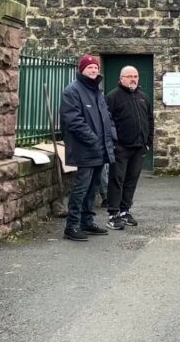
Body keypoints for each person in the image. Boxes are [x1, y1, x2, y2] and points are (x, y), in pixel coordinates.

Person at [59, 54, 116, 242]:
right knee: (80, 188)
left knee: (92, 187)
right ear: (81, 70)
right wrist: (93, 139)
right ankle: (72, 226)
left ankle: (87, 221)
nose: (93, 70)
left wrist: (111, 136)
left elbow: (106, 116)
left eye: (95, 68)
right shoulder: (72, 91)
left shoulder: (97, 91)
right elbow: (73, 120)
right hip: (85, 148)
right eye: (90, 67)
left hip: (99, 148)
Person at [104, 66, 154, 230]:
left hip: (139, 148)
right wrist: (114, 143)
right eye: (130, 76)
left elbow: (150, 120)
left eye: (136, 76)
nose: (133, 79)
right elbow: (107, 122)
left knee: (131, 180)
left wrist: (148, 142)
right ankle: (113, 214)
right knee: (117, 180)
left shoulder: (143, 98)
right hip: (121, 148)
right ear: (121, 78)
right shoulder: (112, 97)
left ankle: (125, 211)